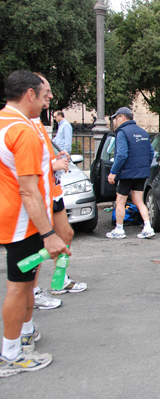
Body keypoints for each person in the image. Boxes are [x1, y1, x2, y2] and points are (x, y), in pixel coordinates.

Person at [0, 70, 70, 376]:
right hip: (21, 222)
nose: (46, 102)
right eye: (43, 96)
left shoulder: (4, 122)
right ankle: (11, 353)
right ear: (29, 93)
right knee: (19, 287)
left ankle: (23, 336)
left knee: (26, 283)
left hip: (12, 217)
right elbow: (29, 190)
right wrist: (49, 235)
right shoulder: (23, 132)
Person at [32, 74, 87, 301]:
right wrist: (53, 164)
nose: (51, 96)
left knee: (66, 234)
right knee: (33, 247)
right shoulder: (22, 123)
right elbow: (22, 166)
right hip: (37, 194)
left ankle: (59, 281)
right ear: (31, 92)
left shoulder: (37, 122)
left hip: (53, 190)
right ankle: (31, 290)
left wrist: (58, 158)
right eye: (47, 92)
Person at [105, 107, 155, 239]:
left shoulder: (122, 132)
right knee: (139, 200)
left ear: (122, 117)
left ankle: (119, 229)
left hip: (127, 173)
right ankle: (148, 227)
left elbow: (121, 154)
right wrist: (144, 167)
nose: (115, 121)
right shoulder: (143, 132)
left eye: (116, 118)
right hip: (142, 172)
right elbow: (151, 153)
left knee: (120, 200)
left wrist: (113, 172)